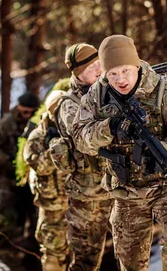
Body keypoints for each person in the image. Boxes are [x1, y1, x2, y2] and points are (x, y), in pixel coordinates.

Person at [72, 35, 167, 271]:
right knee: (130, 262)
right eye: (112, 74)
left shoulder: (165, 91)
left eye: (125, 71)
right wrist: (110, 128)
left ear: (136, 65)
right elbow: (80, 138)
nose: (120, 79)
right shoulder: (97, 95)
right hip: (126, 189)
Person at [51, 43, 114, 271]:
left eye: (100, 64)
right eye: (91, 68)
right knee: (86, 262)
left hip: (120, 187)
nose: (99, 70)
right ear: (78, 74)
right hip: (89, 198)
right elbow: (85, 140)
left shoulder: (111, 89)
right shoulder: (68, 104)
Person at [0, 92, 40, 242]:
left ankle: (28, 255)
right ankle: (1, 251)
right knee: (6, 218)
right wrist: (9, 162)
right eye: (25, 112)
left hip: (33, 179)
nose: (28, 115)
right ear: (19, 107)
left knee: (35, 220)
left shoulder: (40, 120)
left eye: (32, 112)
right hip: (10, 179)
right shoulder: (8, 123)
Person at [24, 90, 70, 271]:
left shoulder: (73, 129)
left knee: (78, 252)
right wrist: (57, 150)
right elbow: (39, 165)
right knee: (53, 253)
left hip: (76, 203)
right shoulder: (38, 135)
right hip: (52, 207)